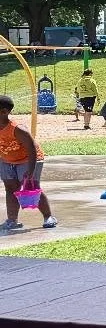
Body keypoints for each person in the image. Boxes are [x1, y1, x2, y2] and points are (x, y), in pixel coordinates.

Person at [0, 94, 57, 231]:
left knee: (32, 187)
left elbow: (32, 150)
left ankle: (48, 216)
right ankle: (12, 220)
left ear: (4, 112)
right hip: (7, 160)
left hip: (30, 159)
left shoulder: (17, 129)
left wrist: (30, 173)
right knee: (10, 188)